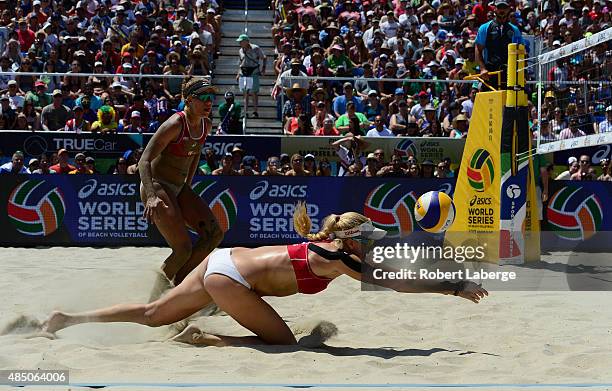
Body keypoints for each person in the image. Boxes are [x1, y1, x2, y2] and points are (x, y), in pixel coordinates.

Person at [42, 205, 488, 345]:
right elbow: (396, 282)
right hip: (229, 280)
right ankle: (207, 337)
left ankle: (66, 319)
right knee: (285, 344)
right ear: (353, 238)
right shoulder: (341, 258)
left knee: (153, 313)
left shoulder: (332, 246)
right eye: (368, 236)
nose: (373, 242)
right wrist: (454, 286)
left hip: (222, 260)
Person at [139, 76, 224, 285]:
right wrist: (150, 196)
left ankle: (180, 284)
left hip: (178, 186)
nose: (208, 102)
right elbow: (144, 161)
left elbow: (194, 155)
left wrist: (188, 185)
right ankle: (156, 298)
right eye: (203, 97)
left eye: (211, 98)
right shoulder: (175, 124)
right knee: (182, 249)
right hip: (158, 185)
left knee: (214, 235)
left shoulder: (206, 124)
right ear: (188, 100)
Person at [475, 0, 523, 90]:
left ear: (508, 9)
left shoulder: (515, 30)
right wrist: (482, 68)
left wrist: (522, 73)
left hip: (510, 73)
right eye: (499, 7)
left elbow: (521, 52)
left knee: (510, 103)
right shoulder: (485, 28)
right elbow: (478, 49)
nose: (502, 10)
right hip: (490, 73)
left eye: (504, 8)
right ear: (494, 9)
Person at [236, 34, 266, 118]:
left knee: (254, 92)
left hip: (253, 71)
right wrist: (238, 73)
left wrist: (263, 68)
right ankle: (245, 111)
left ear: (246, 41)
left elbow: (264, 57)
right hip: (243, 72)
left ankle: (255, 111)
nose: (240, 43)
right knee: (245, 92)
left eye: (241, 41)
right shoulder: (240, 50)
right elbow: (241, 62)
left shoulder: (255, 48)